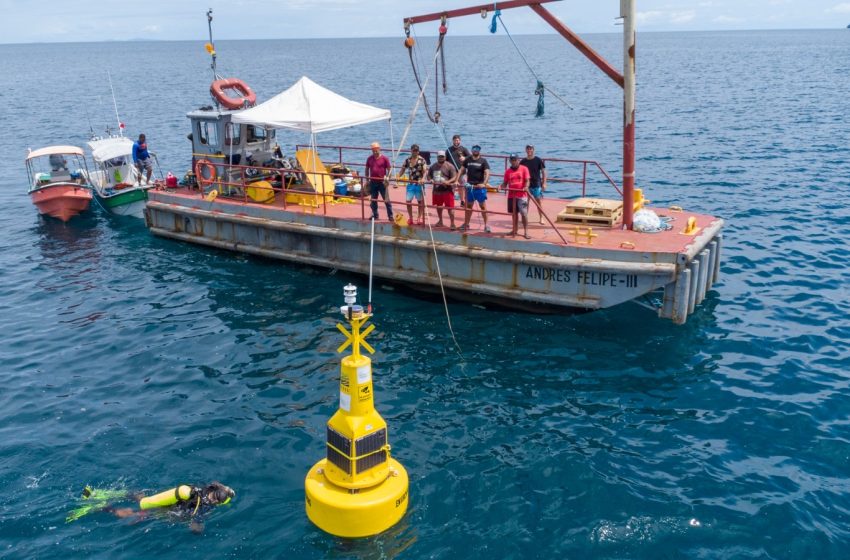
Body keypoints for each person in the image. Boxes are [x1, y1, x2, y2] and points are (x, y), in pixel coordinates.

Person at [69, 482, 235, 534]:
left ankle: (99, 494)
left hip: (167, 500)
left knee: (141, 496)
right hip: (168, 511)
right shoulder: (204, 508)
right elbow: (195, 525)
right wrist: (198, 531)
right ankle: (102, 507)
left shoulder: (199, 489)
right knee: (130, 514)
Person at [458, 144, 491, 233]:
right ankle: (466, 223)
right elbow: (461, 170)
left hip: (479, 188)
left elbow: (487, 172)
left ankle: (486, 225)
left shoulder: (483, 161)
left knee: (483, 206)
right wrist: (457, 180)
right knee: (469, 206)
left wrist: (484, 183)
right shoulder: (468, 159)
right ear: (471, 150)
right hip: (470, 187)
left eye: (477, 149)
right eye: (474, 148)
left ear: (479, 150)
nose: (476, 150)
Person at [501, 153, 531, 238]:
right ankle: (515, 229)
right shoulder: (508, 171)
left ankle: (526, 231)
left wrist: (526, 186)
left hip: (522, 195)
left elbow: (527, 180)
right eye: (512, 160)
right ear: (510, 161)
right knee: (514, 214)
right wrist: (500, 186)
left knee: (524, 213)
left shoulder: (524, 169)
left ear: (518, 160)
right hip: (511, 196)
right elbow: (505, 183)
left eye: (515, 160)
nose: (514, 162)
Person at [427, 150, 458, 229]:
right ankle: (440, 221)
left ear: (445, 157)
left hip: (447, 190)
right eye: (439, 156)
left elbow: (454, 177)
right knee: (439, 207)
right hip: (437, 190)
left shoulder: (450, 166)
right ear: (437, 157)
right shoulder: (433, 166)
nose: (441, 158)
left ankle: (452, 223)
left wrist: (448, 182)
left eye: (442, 156)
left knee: (450, 208)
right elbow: (428, 175)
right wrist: (430, 179)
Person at [398, 144, 428, 225]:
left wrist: (423, 179)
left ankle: (419, 218)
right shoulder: (408, 160)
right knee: (408, 201)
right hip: (411, 183)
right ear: (411, 151)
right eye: (413, 150)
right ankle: (411, 218)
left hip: (419, 184)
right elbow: (403, 169)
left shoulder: (422, 160)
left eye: (416, 151)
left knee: (420, 201)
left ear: (418, 151)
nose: (415, 152)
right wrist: (398, 176)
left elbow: (425, 171)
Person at [364, 141, 394, 221]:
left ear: (379, 149)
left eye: (376, 149)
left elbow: (389, 169)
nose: (375, 151)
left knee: (386, 199)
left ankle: (390, 216)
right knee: (373, 200)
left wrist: (388, 178)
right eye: (373, 150)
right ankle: (375, 215)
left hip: (382, 182)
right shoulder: (369, 159)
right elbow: (367, 169)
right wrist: (367, 180)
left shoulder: (385, 159)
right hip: (373, 182)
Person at [520, 144, 547, 224]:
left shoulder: (538, 160)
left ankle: (541, 218)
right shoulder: (523, 161)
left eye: (531, 149)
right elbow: (520, 172)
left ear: (533, 150)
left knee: (538, 202)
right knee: (525, 202)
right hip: (526, 185)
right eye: (528, 149)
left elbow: (543, 172)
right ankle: (525, 218)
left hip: (536, 184)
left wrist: (544, 183)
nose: (529, 150)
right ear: (526, 150)